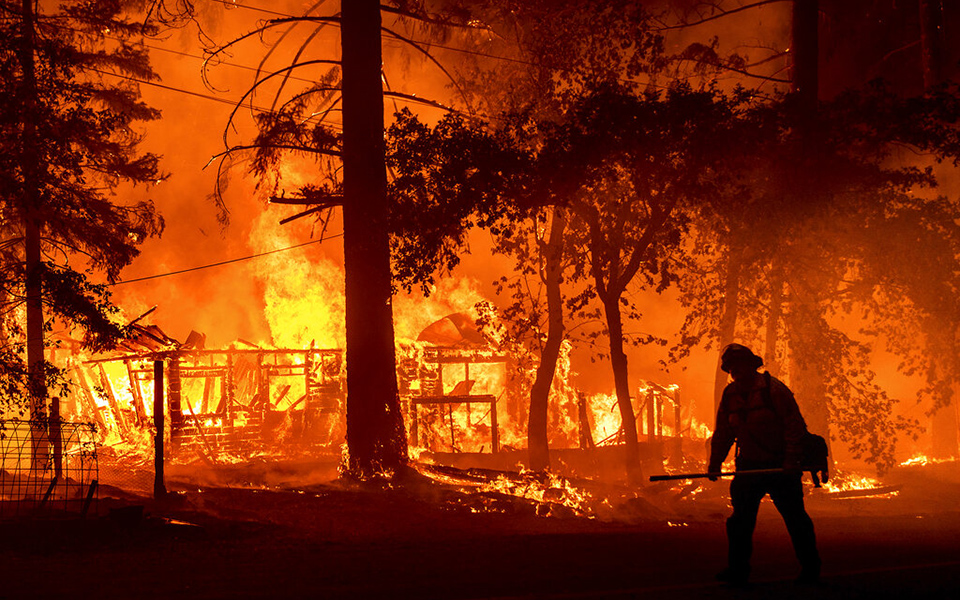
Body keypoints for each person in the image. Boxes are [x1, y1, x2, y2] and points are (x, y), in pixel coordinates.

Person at [708, 343, 821, 586]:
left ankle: (811, 568)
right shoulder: (730, 395)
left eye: (740, 365)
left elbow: (795, 427)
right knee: (740, 521)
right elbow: (724, 431)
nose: (736, 371)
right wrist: (715, 461)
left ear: (751, 366)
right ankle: (737, 570)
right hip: (748, 466)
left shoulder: (774, 390)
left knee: (795, 518)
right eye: (731, 367)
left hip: (781, 467)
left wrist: (791, 460)